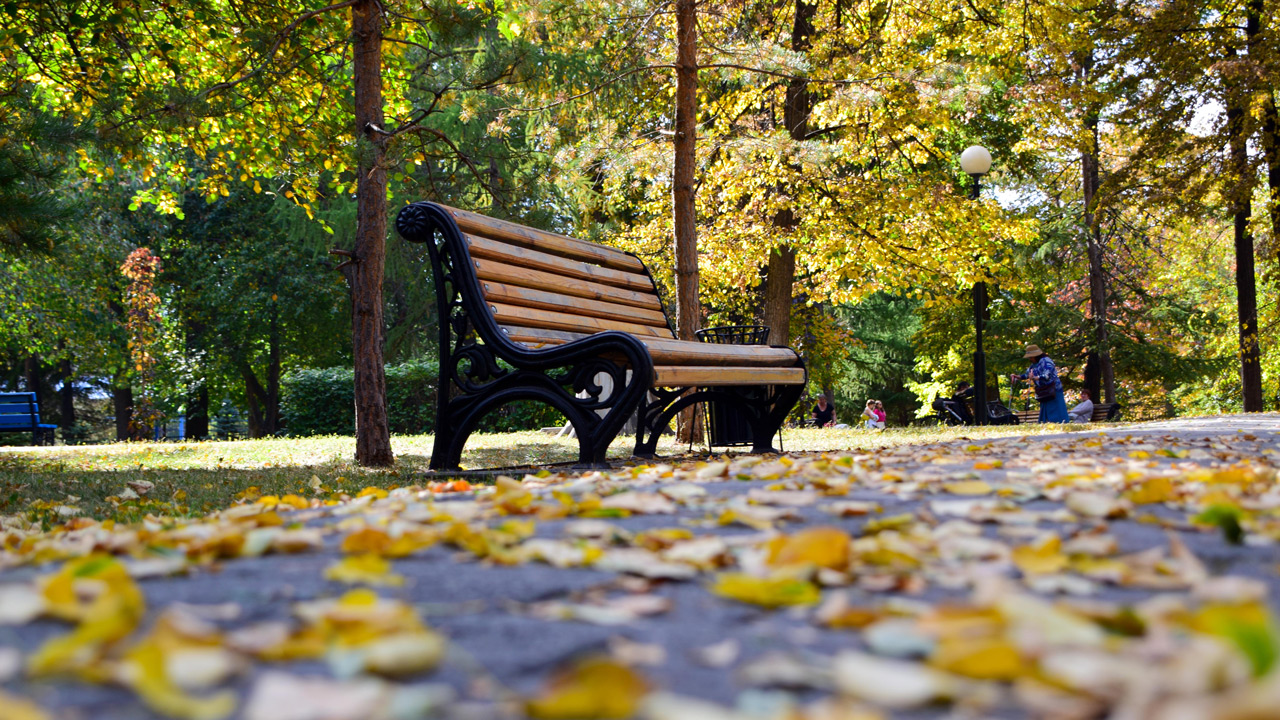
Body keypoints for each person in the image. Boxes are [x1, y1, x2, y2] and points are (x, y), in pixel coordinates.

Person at [1010, 344, 1069, 423]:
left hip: (1053, 390)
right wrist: (1017, 377)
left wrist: (1035, 378)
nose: (1030, 359)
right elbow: (1028, 375)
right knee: (1045, 408)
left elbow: (1047, 375)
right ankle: (1045, 423)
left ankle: (1060, 423)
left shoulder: (1046, 361)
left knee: (1056, 408)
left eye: (1031, 357)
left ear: (1036, 356)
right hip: (1044, 392)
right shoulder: (1033, 365)